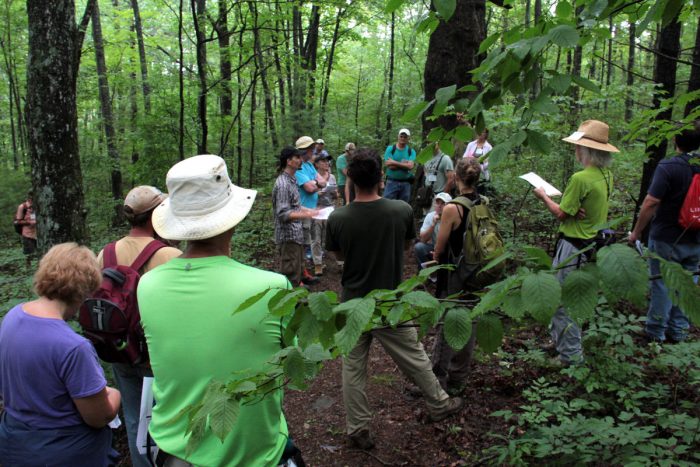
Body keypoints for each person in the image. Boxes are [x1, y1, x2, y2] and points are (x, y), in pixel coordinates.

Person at [138, 154, 297, 466]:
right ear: (233, 219)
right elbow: (293, 366)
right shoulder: (272, 287)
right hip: (255, 454)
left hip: (174, 452)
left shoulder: (147, 285)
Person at [326, 148, 464, 451]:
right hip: (391, 301)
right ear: (381, 177)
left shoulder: (338, 218)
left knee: (352, 366)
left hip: (352, 304)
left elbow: (338, 256)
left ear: (349, 176)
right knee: (414, 356)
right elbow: (405, 246)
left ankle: (358, 428)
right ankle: (439, 403)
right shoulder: (400, 210)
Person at [0, 243, 121, 466]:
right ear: (85, 288)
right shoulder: (73, 347)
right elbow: (98, 417)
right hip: (65, 452)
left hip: (14, 445)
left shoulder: (12, 317)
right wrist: (114, 395)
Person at [96, 185, 182, 467]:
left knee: (134, 417)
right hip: (157, 355)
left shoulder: (105, 254)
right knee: (170, 418)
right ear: (155, 215)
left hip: (118, 350)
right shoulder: (168, 255)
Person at [533, 120, 618, 365]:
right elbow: (581, 207)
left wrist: (543, 196)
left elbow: (561, 214)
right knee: (565, 297)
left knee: (563, 302)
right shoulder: (606, 175)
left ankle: (570, 356)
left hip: (574, 247)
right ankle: (559, 340)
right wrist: (574, 208)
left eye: (578, 146)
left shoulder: (580, 178)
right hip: (590, 245)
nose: (576, 150)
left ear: (586, 150)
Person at [629, 125, 700, 343]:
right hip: (696, 238)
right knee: (687, 283)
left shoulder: (669, 166)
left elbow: (651, 202)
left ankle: (656, 332)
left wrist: (636, 232)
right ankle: (678, 331)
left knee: (662, 282)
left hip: (666, 237)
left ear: (675, 142)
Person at [432, 158, 483, 393]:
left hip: (454, 274)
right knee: (469, 323)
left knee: (447, 324)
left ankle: (437, 380)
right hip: (477, 272)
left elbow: (440, 249)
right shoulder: (485, 203)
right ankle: (458, 378)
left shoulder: (453, 208)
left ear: (457, 179)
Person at [273, 146, 320, 286]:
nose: (301, 160)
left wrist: (311, 211)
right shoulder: (282, 184)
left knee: (297, 268)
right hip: (288, 236)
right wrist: (305, 214)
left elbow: (295, 206)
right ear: (289, 161)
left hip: (296, 234)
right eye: (297, 157)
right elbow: (283, 213)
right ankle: (292, 305)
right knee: (290, 274)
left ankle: (299, 297)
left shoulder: (292, 180)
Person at [296, 135, 327, 281]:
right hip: (302, 210)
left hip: (313, 209)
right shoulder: (298, 167)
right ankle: (299, 274)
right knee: (301, 243)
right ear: (304, 151)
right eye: (311, 149)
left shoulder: (308, 165)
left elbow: (323, 181)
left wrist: (315, 182)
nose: (313, 151)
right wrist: (316, 183)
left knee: (311, 240)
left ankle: (304, 271)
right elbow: (309, 188)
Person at [311, 153, 338, 275]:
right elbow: (305, 194)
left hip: (329, 209)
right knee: (316, 238)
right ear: (316, 164)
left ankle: (341, 262)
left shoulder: (331, 177)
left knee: (332, 236)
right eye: (323, 161)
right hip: (315, 210)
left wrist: (335, 193)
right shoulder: (311, 177)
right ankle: (318, 264)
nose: (327, 163)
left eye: (327, 161)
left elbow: (336, 194)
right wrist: (317, 194)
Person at [415, 192, 452, 269]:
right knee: (419, 247)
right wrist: (433, 224)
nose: (439, 206)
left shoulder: (452, 217)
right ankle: (429, 275)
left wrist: (438, 251)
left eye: (443, 204)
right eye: (437, 203)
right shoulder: (430, 216)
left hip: (450, 249)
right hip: (435, 247)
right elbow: (423, 239)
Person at [383, 128, 416, 203]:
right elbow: (390, 166)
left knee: (403, 207)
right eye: (401, 136)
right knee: (387, 205)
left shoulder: (411, 151)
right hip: (391, 182)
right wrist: (405, 165)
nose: (403, 138)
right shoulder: (391, 149)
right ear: (398, 136)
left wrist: (394, 162)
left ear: (408, 138)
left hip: (406, 183)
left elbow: (410, 166)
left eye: (405, 137)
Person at [14, 191, 37, 269]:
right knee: (29, 255)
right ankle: (28, 270)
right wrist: (29, 222)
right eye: (31, 196)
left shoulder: (38, 205)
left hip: (38, 234)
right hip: (27, 234)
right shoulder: (22, 207)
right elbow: (18, 221)